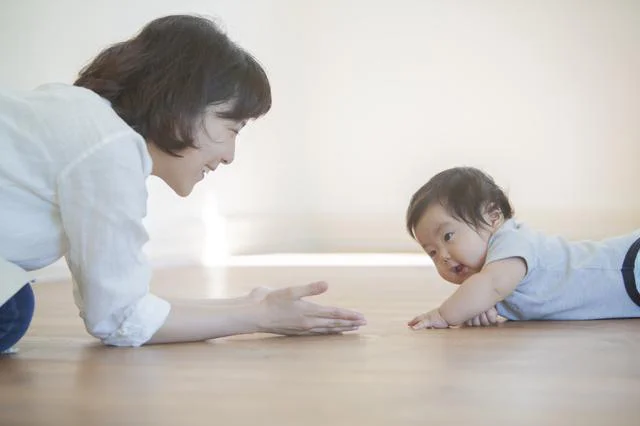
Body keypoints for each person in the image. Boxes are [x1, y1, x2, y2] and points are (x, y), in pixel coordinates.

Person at [0, 14, 366, 352]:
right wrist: (259, 316)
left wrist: (252, 305)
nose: (230, 155)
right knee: (11, 308)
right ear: (184, 103)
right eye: (232, 129)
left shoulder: (77, 118)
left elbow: (120, 302)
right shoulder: (109, 149)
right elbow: (119, 318)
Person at [404, 166, 640, 329]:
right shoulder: (488, 284)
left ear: (493, 217)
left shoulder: (511, 242)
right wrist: (476, 308)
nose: (443, 256)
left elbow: (491, 285)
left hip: (628, 264)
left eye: (447, 236)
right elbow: (487, 291)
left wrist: (444, 315)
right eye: (431, 252)